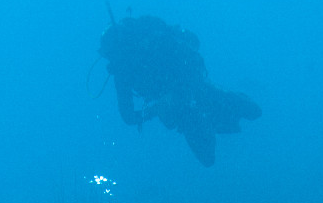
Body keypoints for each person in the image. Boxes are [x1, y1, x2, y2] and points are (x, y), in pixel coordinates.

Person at [99, 13, 261, 166]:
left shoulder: (153, 41)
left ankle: (218, 112)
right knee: (207, 159)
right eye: (111, 57)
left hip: (192, 85)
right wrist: (156, 109)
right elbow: (128, 116)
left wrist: (179, 93)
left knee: (251, 110)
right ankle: (209, 119)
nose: (115, 61)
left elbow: (187, 58)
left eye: (115, 55)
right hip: (177, 106)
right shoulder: (121, 71)